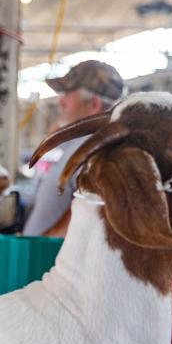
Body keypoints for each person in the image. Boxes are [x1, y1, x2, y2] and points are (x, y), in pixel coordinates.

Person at [22, 60, 125, 237]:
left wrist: (38, 250)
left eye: (67, 94)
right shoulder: (83, 146)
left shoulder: (95, 152)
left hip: (50, 262)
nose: (60, 101)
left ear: (93, 104)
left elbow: (91, 215)